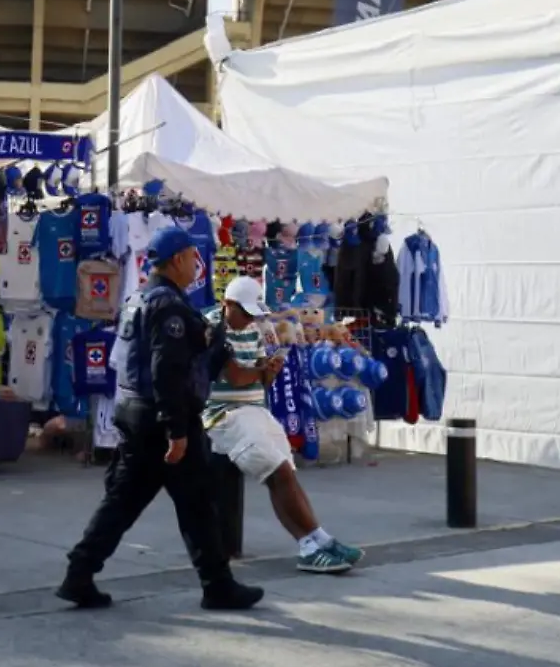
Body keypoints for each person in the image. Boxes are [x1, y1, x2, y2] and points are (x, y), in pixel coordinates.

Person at [58, 226, 262, 612]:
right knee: (196, 503)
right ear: (178, 259)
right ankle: (217, 585)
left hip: (137, 413)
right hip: (162, 419)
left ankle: (79, 573)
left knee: (126, 502)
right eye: (191, 257)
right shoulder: (168, 305)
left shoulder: (141, 298)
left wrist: (215, 343)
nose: (196, 265)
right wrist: (177, 430)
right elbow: (166, 368)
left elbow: (179, 361)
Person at [205, 276, 364, 573]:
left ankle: (317, 538)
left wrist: (270, 371)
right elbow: (235, 376)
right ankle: (309, 543)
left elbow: (258, 378)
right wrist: (261, 370)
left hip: (253, 409)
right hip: (225, 414)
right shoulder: (212, 328)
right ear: (228, 305)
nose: (251, 319)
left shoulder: (253, 327)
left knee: (284, 469)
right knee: (277, 471)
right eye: (246, 312)